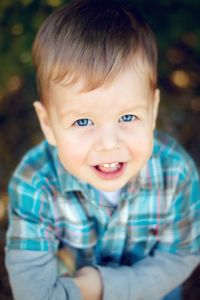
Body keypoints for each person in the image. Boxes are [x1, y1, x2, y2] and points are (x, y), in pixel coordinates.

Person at [5, 0, 200, 299]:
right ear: (47, 124)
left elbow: (181, 256)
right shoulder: (34, 183)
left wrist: (95, 286)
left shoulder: (176, 173)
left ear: (154, 109)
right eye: (83, 121)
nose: (109, 144)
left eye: (128, 117)